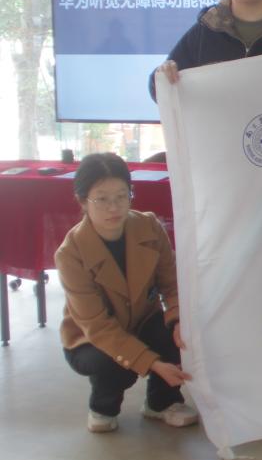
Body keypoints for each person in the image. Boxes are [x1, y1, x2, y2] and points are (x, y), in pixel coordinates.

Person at [56, 152, 199, 433]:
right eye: (102, 199)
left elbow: (172, 284)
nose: (114, 207)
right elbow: (97, 326)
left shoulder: (149, 226)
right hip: (89, 338)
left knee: (179, 335)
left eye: (122, 196)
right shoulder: (70, 253)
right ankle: (103, 407)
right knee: (113, 362)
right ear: (82, 200)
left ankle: (162, 402)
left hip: (142, 320)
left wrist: (179, 319)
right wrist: (152, 363)